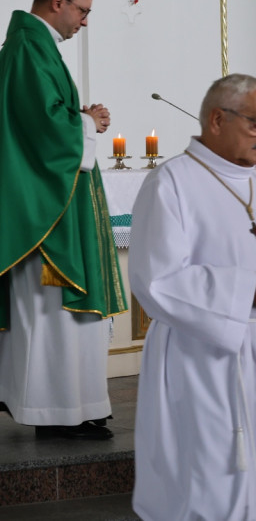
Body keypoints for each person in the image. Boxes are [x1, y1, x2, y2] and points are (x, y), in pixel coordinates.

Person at [0, 0, 128, 440]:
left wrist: (78, 117)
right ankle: (53, 409)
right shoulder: (27, 50)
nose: (85, 21)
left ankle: (46, 397)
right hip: (43, 211)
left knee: (53, 314)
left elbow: (40, 118)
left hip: (50, 201)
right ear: (57, 1)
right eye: (82, 10)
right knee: (50, 312)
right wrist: (87, 123)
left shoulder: (38, 49)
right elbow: (44, 131)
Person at [129, 74, 256, 520]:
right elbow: (157, 279)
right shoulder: (171, 183)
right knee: (206, 479)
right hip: (201, 357)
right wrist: (247, 292)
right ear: (218, 119)